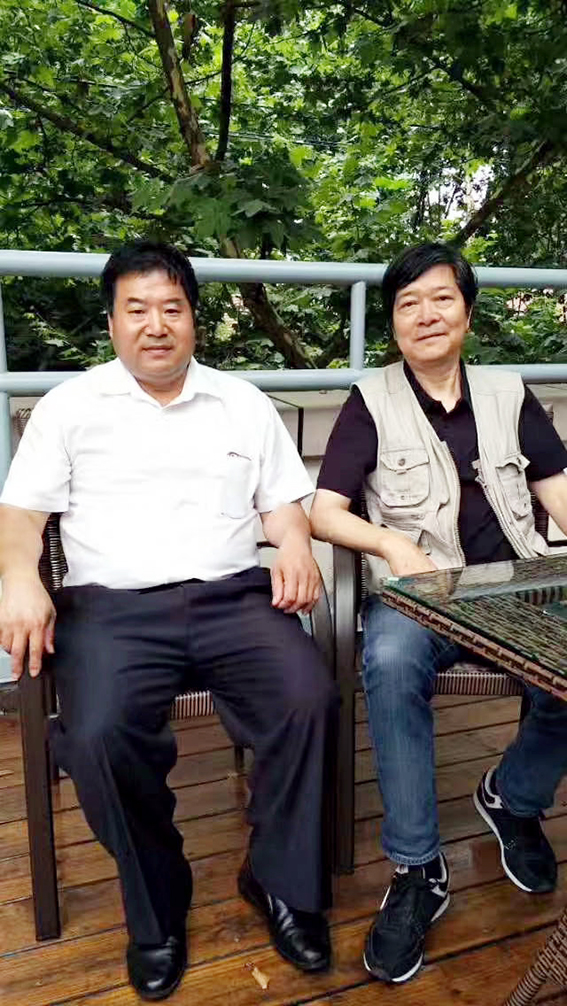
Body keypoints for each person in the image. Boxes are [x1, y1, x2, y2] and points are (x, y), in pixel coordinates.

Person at [0, 240, 338, 1001]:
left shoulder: (241, 402)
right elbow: (20, 517)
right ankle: (157, 905)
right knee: (96, 736)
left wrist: (292, 543)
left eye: (172, 309)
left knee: (307, 699)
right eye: (137, 309)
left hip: (233, 599)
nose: (156, 325)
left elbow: (283, 505)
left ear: (193, 320)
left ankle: (279, 881)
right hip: (112, 612)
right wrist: (19, 576)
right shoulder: (69, 407)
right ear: (112, 322)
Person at [310, 241, 567, 986]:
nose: (425, 315)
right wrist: (391, 543)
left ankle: (512, 798)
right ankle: (417, 867)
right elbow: (325, 511)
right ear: (393, 322)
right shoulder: (371, 400)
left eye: (441, 298)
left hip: (518, 588)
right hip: (422, 599)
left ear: (467, 312)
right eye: (408, 304)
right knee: (388, 663)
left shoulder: (508, 393)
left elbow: (556, 489)